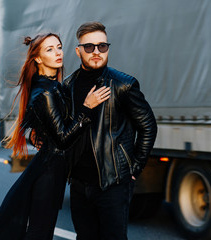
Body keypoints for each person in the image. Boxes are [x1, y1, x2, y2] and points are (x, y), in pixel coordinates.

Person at [0, 32, 110, 240]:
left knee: (40, 231)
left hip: (53, 169)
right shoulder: (46, 92)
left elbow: (51, 122)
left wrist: (36, 132)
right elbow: (63, 139)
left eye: (59, 47)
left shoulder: (54, 86)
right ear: (38, 58)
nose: (58, 53)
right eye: (50, 49)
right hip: (49, 172)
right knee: (40, 232)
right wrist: (87, 108)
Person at [62, 22, 158, 240]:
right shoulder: (68, 86)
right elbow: (66, 130)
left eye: (102, 46)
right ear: (78, 51)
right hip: (78, 184)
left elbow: (148, 125)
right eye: (89, 47)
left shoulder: (123, 84)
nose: (96, 52)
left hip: (113, 183)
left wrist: (134, 167)